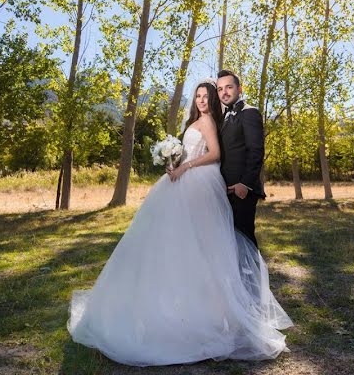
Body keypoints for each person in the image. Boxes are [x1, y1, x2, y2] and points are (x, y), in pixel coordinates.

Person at [67, 79, 292, 367]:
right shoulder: (194, 122)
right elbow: (194, 151)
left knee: (201, 244)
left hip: (200, 183)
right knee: (174, 242)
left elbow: (215, 154)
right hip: (185, 180)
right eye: (198, 95)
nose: (201, 100)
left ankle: (219, 309)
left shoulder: (211, 120)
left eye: (205, 96)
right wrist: (173, 160)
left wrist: (185, 165)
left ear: (214, 99)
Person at [216, 69, 265, 248]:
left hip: (241, 190)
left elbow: (256, 151)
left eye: (229, 87)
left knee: (245, 241)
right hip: (224, 189)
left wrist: (245, 184)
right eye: (220, 89)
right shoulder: (223, 117)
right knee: (229, 243)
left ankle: (252, 276)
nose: (224, 92)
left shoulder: (249, 113)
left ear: (240, 89)